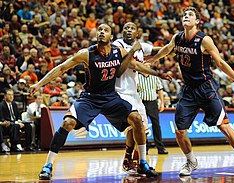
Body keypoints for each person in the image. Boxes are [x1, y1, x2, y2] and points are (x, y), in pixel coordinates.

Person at [29, 24, 158, 180]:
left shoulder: (118, 51)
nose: (101, 32)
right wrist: (39, 84)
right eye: (100, 30)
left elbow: (136, 65)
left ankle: (143, 162)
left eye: (105, 30)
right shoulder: (87, 53)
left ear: (111, 37)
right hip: (90, 98)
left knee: (137, 120)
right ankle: (48, 165)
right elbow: (61, 68)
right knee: (67, 123)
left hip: (111, 97)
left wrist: (159, 75)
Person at [146, 7, 234, 178]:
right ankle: (191, 161)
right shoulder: (178, 38)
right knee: (179, 130)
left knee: (224, 126)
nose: (186, 16)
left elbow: (220, 63)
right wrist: (152, 60)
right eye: (184, 14)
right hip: (189, 90)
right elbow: (166, 50)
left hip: (206, 88)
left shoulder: (204, 40)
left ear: (197, 21)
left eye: (190, 15)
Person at [113, 22, 172, 175]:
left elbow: (157, 50)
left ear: (137, 33)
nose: (128, 30)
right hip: (119, 91)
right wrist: (158, 73)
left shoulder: (141, 46)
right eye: (126, 27)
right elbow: (125, 69)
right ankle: (137, 162)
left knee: (142, 130)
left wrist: (173, 47)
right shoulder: (117, 45)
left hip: (133, 93)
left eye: (132, 28)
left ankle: (132, 161)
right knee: (135, 124)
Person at [137, 63, 168, 155]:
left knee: (156, 125)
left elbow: (160, 90)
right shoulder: (137, 77)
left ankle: (160, 147)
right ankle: (145, 147)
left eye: (148, 66)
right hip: (141, 103)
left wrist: (162, 103)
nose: (147, 67)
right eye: (145, 66)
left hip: (153, 103)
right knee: (142, 127)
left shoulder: (154, 77)